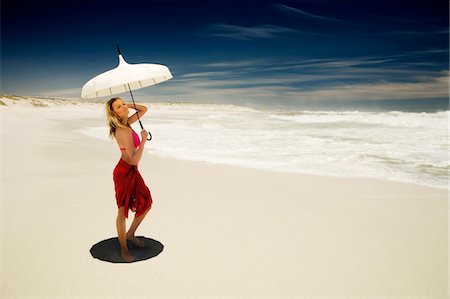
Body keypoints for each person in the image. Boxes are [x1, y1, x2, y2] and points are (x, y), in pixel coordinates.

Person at [105, 97, 153, 262]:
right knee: (122, 210)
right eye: (119, 106)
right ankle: (124, 249)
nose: (124, 107)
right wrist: (144, 141)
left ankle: (130, 234)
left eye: (123, 103)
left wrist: (128, 106)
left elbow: (144, 109)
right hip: (124, 171)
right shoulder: (123, 130)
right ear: (114, 113)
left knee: (146, 201)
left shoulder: (127, 123)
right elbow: (133, 160)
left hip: (132, 170)